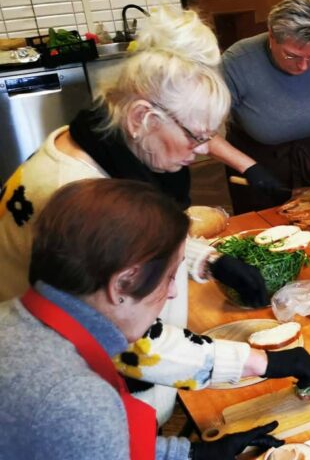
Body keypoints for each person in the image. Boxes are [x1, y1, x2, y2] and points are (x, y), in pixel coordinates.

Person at [0, 7, 310, 425]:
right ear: (140, 118)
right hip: (84, 395)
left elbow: (134, 240)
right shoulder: (78, 196)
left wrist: (208, 259)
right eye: (195, 136)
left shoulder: (97, 141)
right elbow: (131, 342)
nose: (204, 150)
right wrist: (258, 362)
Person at [0, 178, 283, 459]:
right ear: (121, 284)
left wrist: (193, 454)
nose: (172, 293)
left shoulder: (15, 319)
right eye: (169, 277)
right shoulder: (77, 399)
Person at [220, 0, 310, 213]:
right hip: (258, 166)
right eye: (292, 55)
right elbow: (201, 133)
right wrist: (249, 168)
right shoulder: (237, 61)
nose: (304, 66)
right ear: (271, 36)